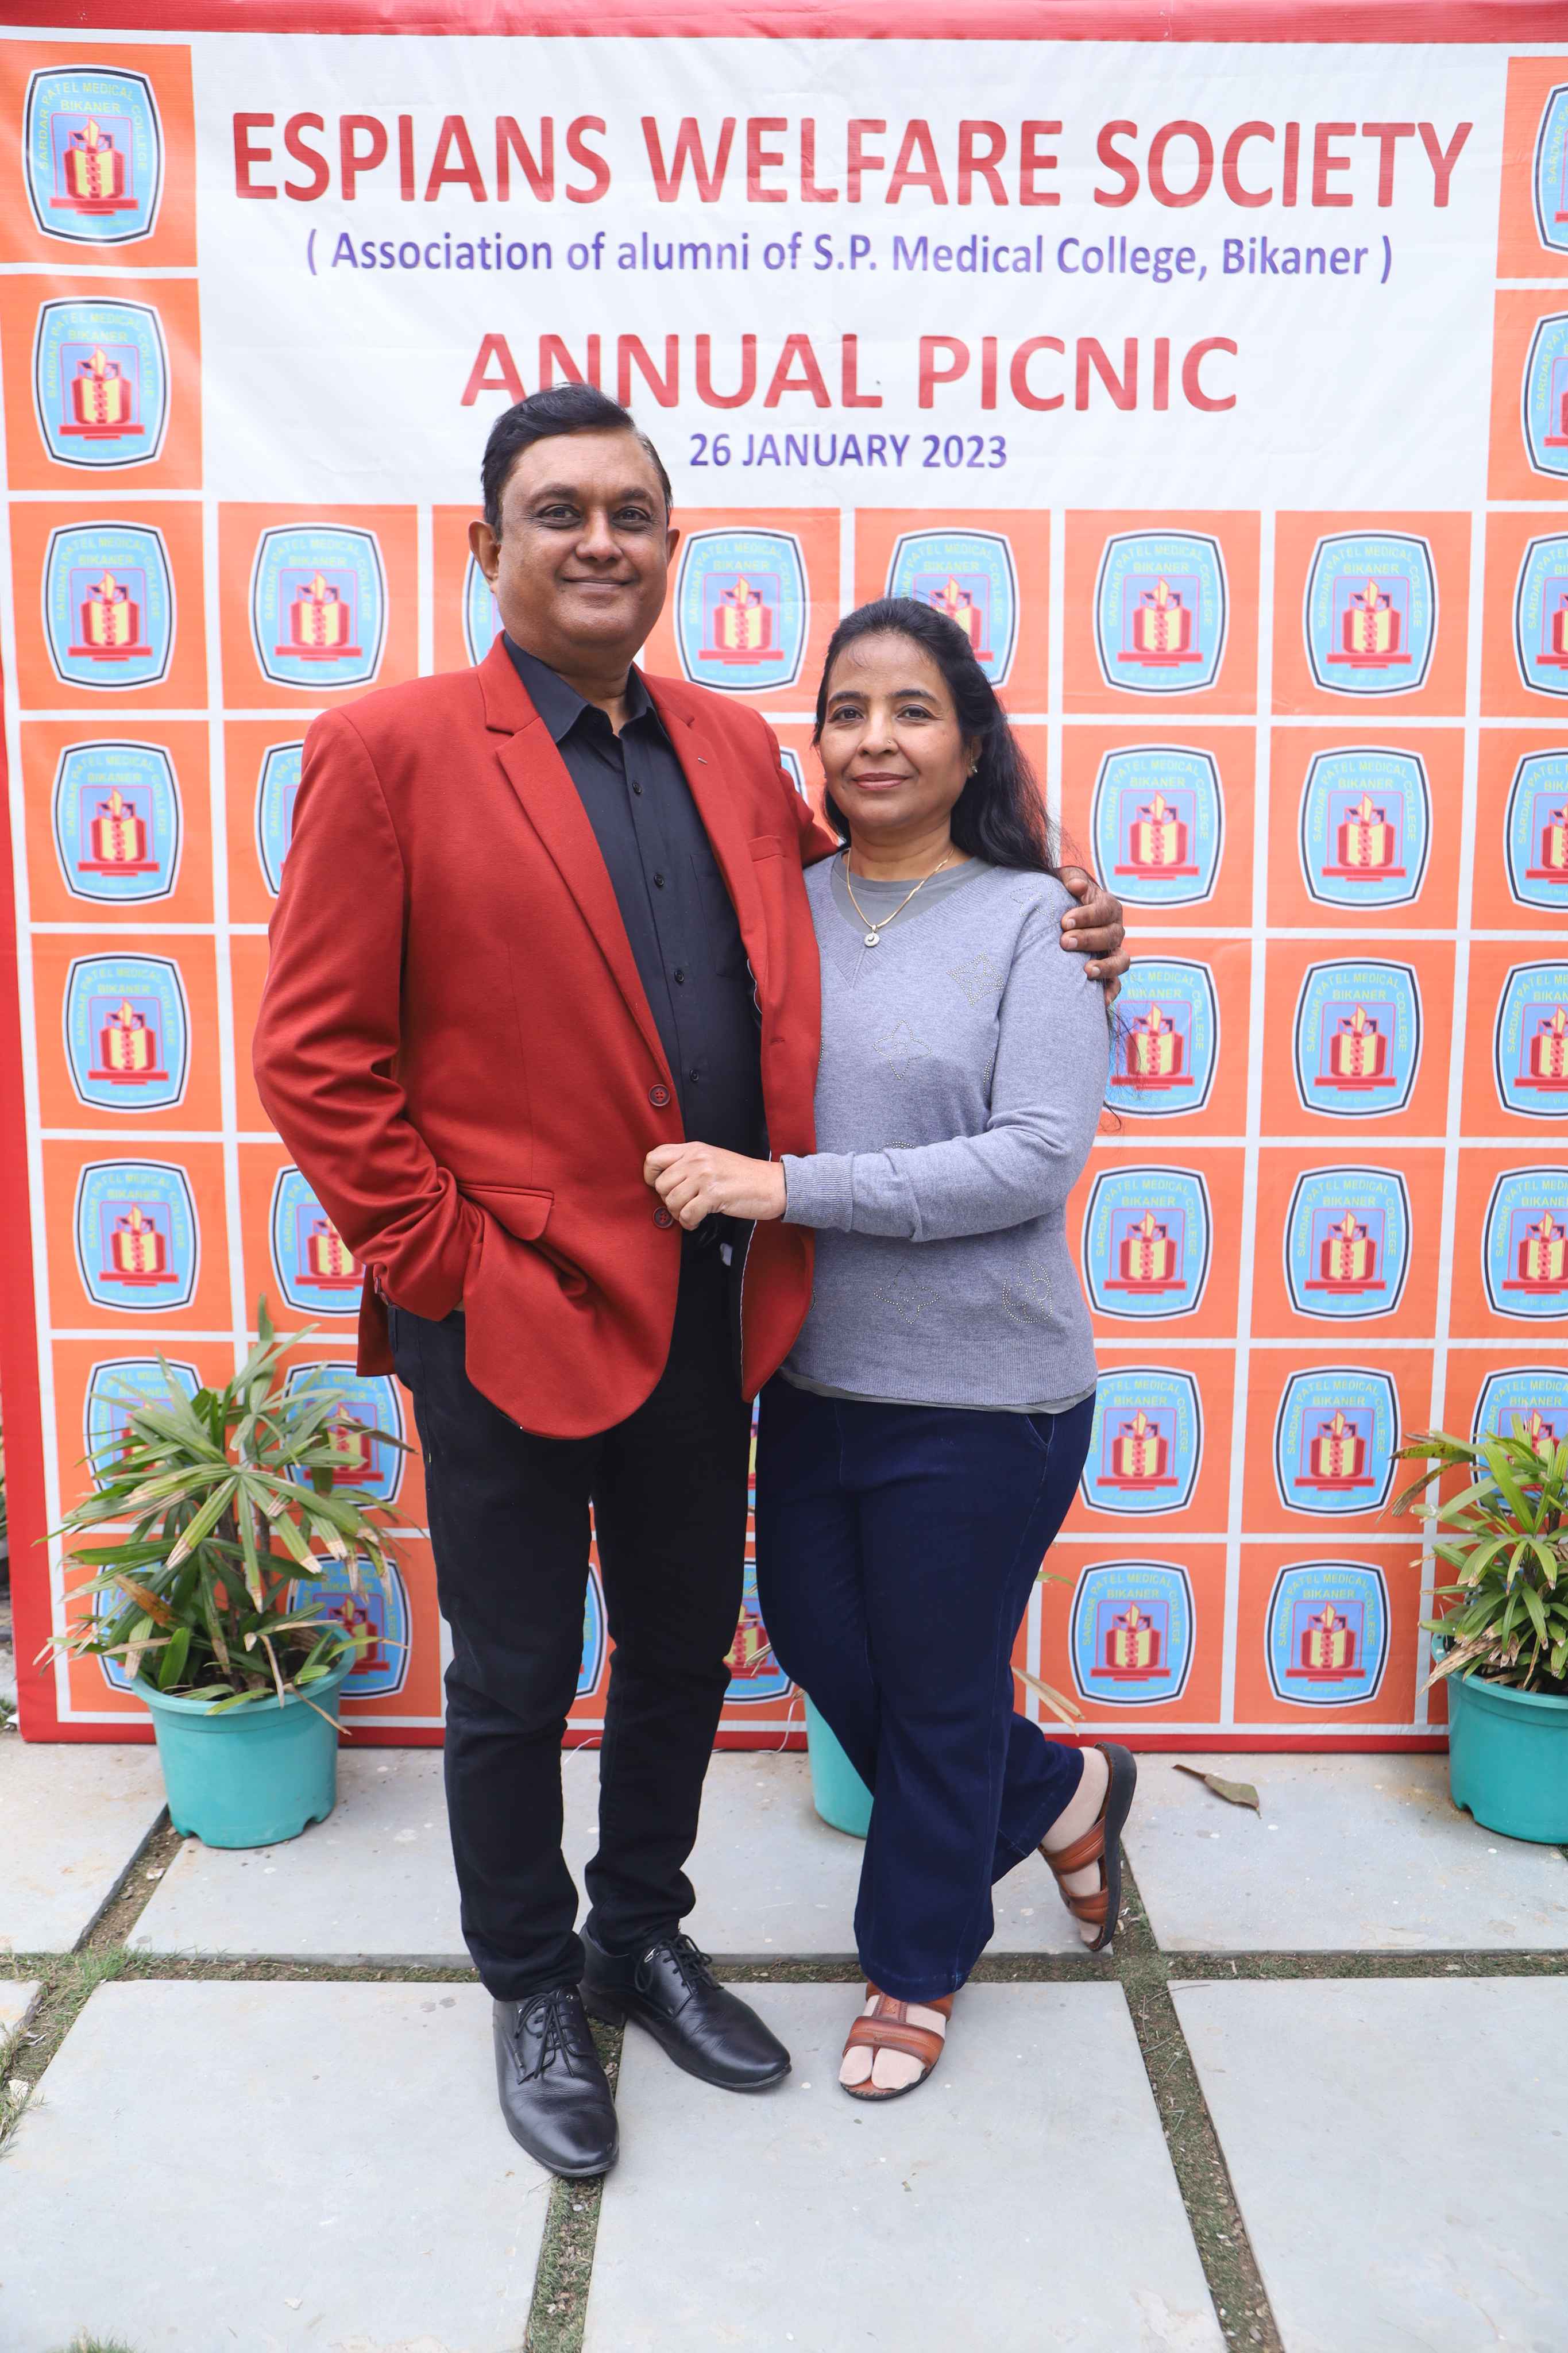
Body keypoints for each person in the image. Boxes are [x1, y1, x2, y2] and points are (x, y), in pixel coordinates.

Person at [253, 387, 1129, 2177]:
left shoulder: (736, 750)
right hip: (501, 1318)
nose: (600, 540)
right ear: (485, 545)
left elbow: (882, 913)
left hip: (709, 1315)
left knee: (674, 1654)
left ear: (669, 548)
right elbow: (316, 1060)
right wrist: (448, 1271)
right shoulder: (387, 749)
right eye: (559, 509)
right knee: (513, 1676)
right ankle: (527, 1982)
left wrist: (1064, 909)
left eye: (632, 513)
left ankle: (638, 1935)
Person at [646, 596, 1133, 2103]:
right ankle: (1062, 1791)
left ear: (971, 743)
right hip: (813, 1374)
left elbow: (1032, 1159)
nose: (875, 738)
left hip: (988, 1392)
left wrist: (785, 1190)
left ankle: (915, 1965)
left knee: (932, 1691)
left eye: (913, 710)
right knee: (823, 1650)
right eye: (847, 710)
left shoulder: (1035, 920)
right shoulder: (774, 908)